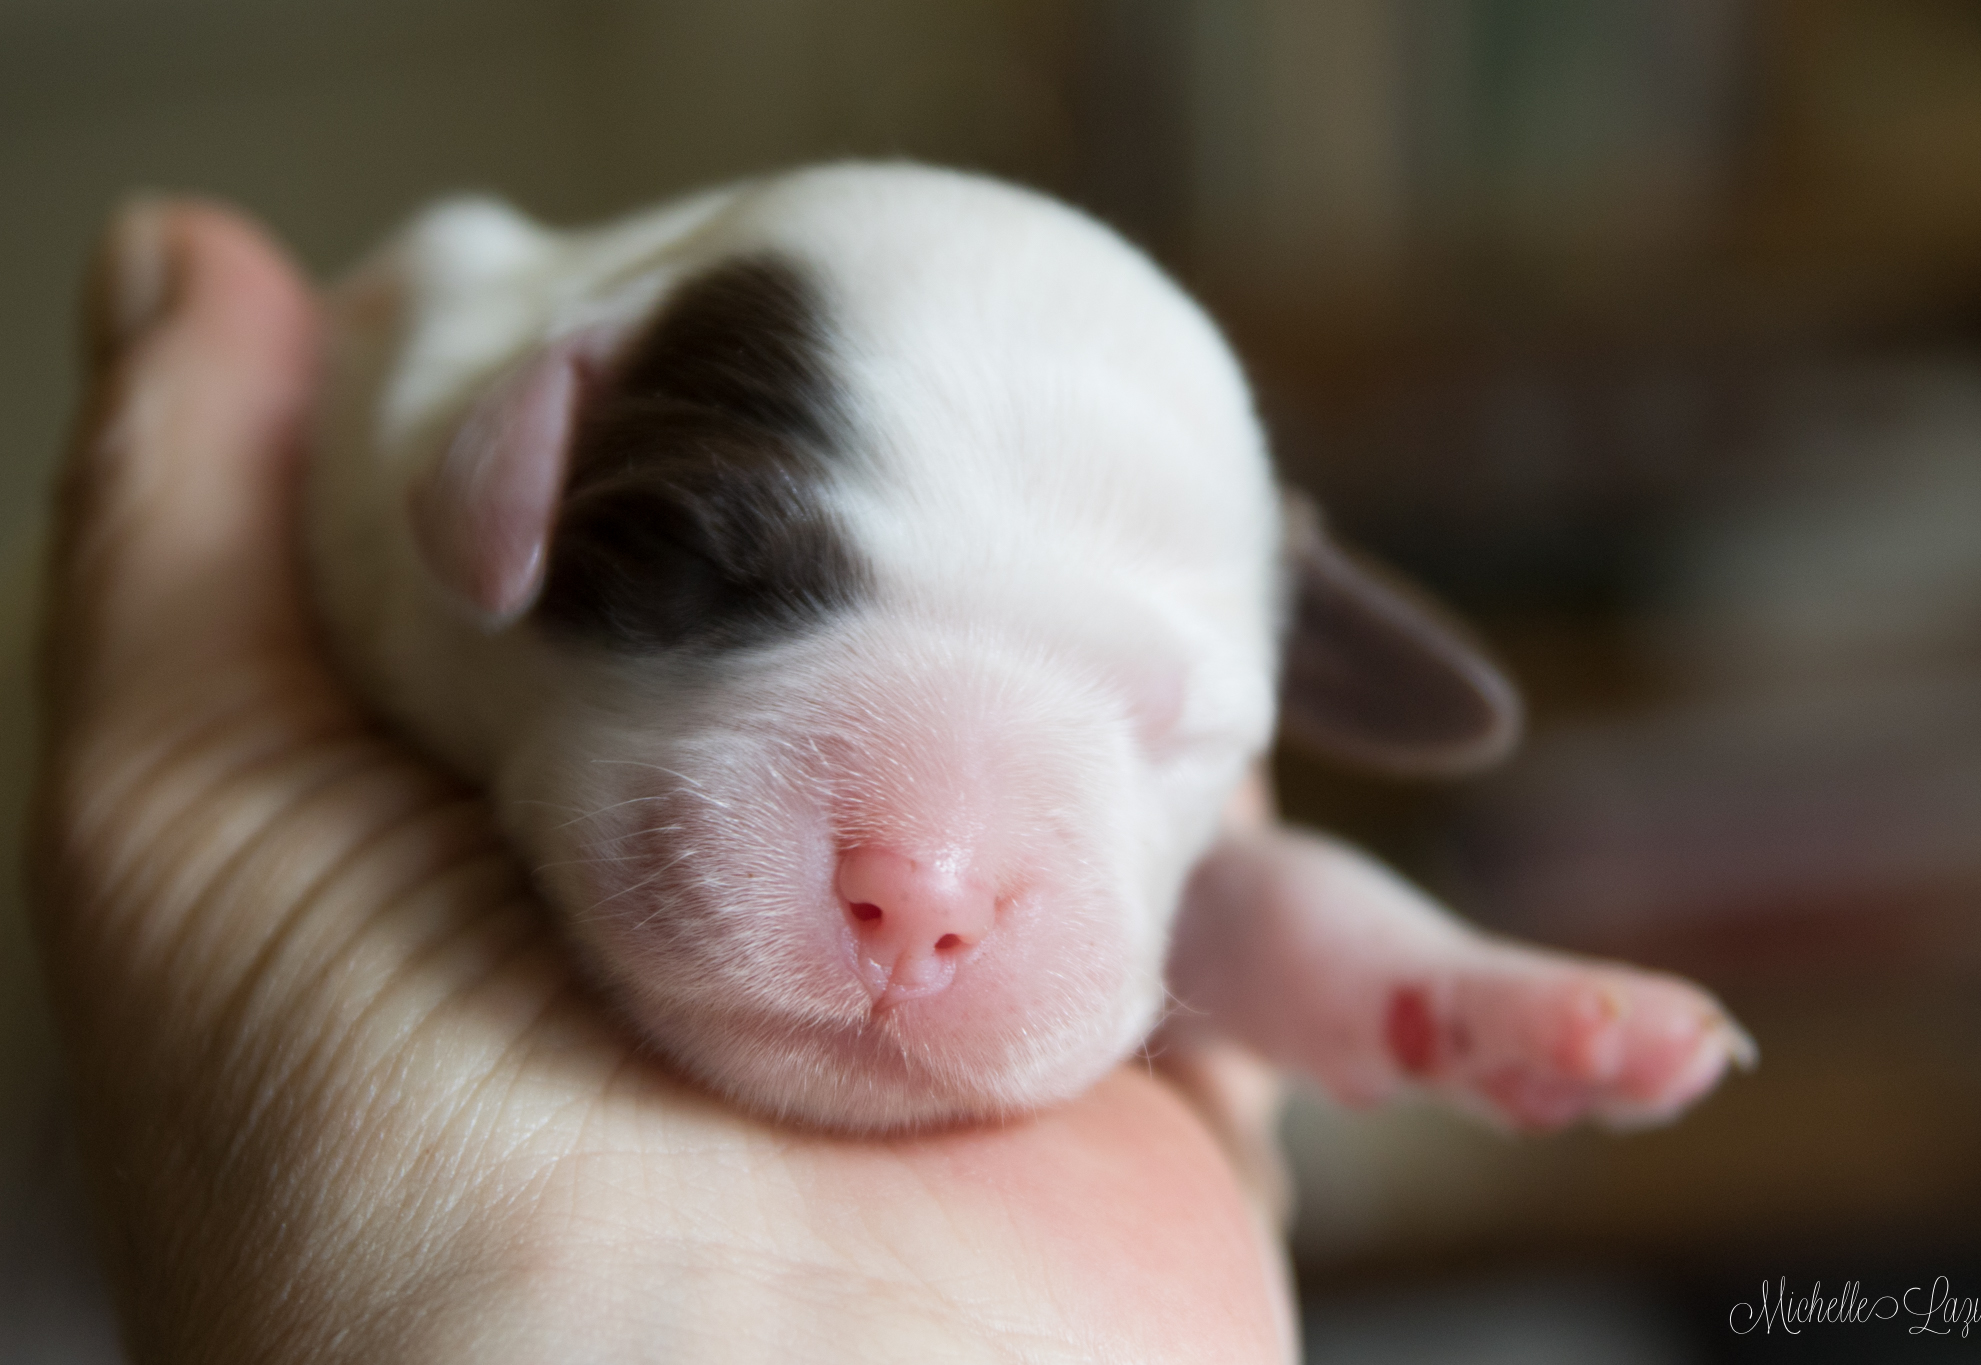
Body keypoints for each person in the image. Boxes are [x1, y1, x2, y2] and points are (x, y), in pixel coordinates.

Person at [26, 199, 1295, 1362]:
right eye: (734, 584)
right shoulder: (390, 367)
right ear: (517, 450)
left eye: (1156, 732)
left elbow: (1235, 898)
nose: (924, 886)